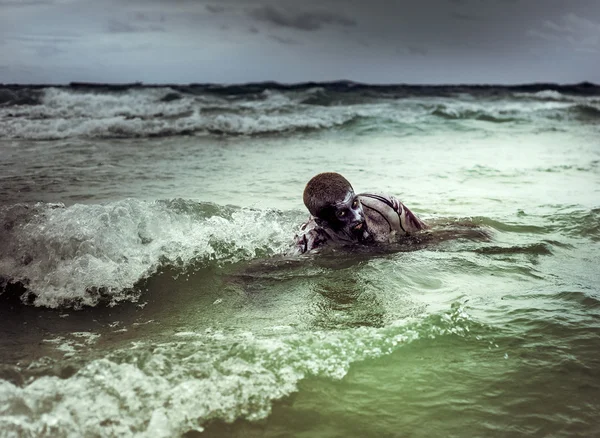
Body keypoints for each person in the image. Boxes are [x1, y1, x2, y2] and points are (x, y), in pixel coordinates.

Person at [291, 172, 428, 255]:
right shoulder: (309, 242)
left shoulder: (383, 205)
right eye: (343, 213)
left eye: (355, 204)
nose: (357, 217)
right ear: (323, 223)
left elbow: (426, 236)